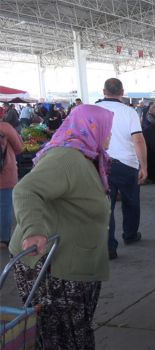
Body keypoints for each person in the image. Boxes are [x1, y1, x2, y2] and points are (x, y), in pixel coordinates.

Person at [9, 104, 113, 349]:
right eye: (107, 129)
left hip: (73, 264)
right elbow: (26, 190)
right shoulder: (66, 157)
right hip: (51, 267)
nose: (109, 135)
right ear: (90, 128)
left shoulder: (87, 157)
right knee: (62, 337)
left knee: (72, 333)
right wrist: (34, 230)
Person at [96, 78, 147, 260]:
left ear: (103, 91)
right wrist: (144, 166)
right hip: (127, 164)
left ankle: (109, 246)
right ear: (122, 91)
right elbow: (138, 140)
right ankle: (130, 235)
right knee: (131, 201)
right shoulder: (129, 112)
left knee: (105, 206)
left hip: (101, 165)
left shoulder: (94, 110)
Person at [0, 120, 23, 247]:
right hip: (5, 174)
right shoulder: (5, 127)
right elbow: (19, 147)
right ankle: (3, 239)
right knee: (4, 207)